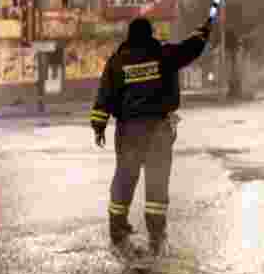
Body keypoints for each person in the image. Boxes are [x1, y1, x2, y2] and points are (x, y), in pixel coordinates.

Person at [90, 15, 213, 257]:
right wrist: (204, 30)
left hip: (128, 131)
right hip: (158, 130)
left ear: (129, 35)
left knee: (124, 178)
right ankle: (156, 232)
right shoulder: (164, 55)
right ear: (149, 34)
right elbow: (191, 48)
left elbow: (104, 95)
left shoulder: (117, 61)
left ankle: (117, 228)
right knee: (157, 183)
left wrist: (99, 126)